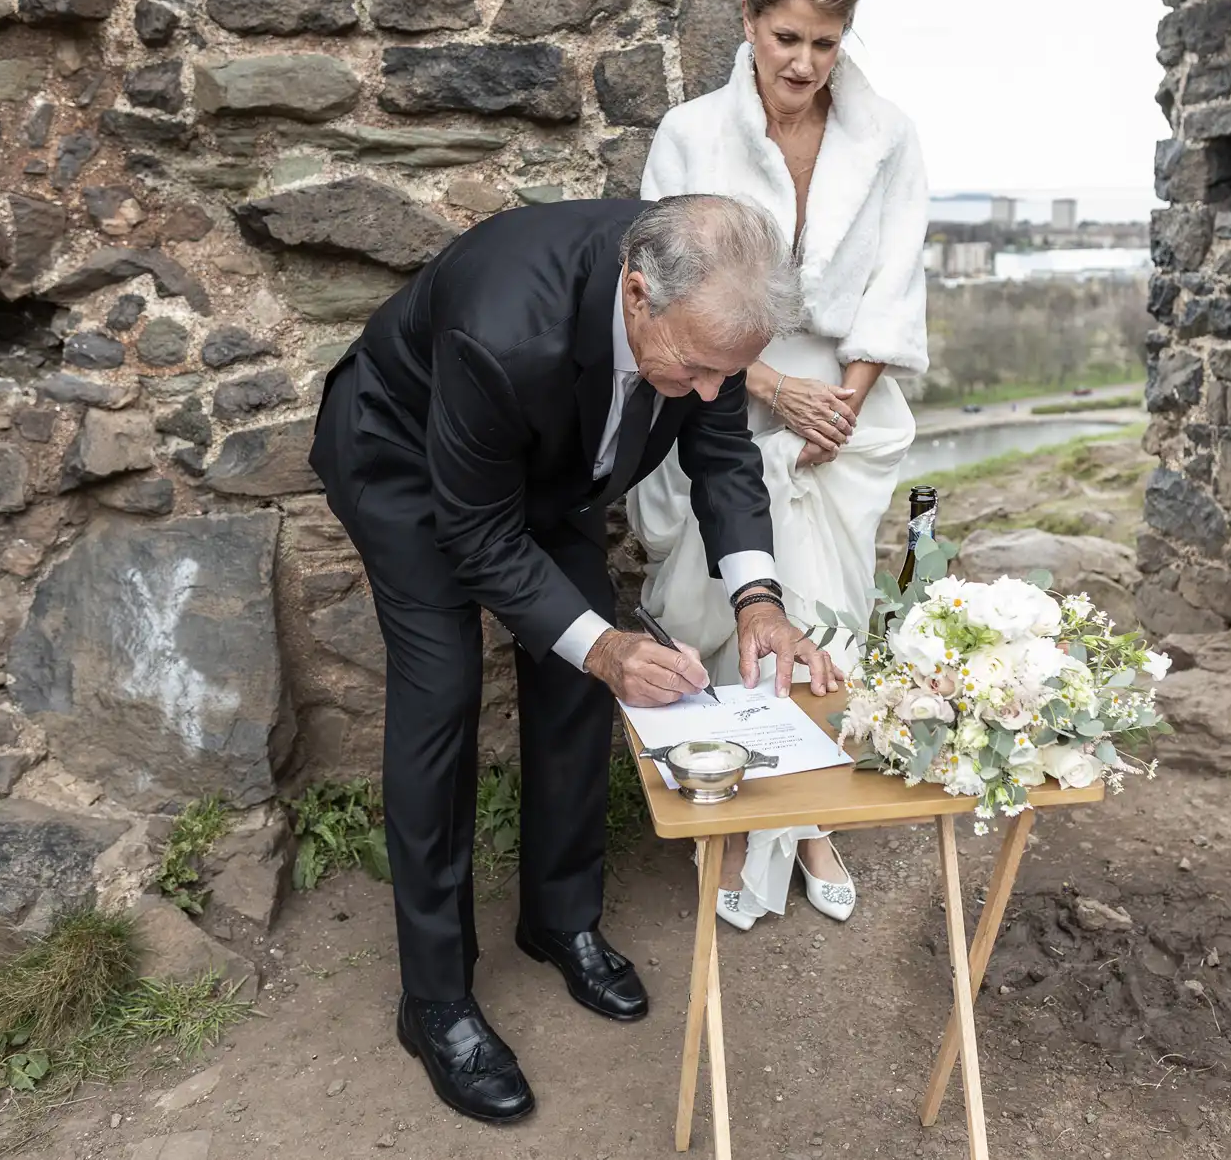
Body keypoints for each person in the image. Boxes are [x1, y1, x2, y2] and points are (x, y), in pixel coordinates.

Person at [310, 195, 841, 1125]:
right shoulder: (502, 326)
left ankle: (560, 918)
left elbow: (722, 451)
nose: (714, 391)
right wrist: (605, 645)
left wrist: (759, 599)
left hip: (544, 465)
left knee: (581, 682)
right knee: (443, 694)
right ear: (637, 296)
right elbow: (473, 534)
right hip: (401, 455)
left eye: (733, 371)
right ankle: (434, 997)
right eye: (699, 369)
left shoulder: (704, 319)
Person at [630, 0, 929, 933]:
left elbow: (897, 282)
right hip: (719, 391)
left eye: (824, 41)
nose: (801, 62)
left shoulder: (888, 137)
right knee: (726, 607)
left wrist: (837, 404)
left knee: (825, 619)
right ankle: (731, 810)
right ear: (748, 23)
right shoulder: (688, 132)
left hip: (843, 410)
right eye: (785, 36)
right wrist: (765, 388)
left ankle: (809, 818)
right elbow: (658, 292)